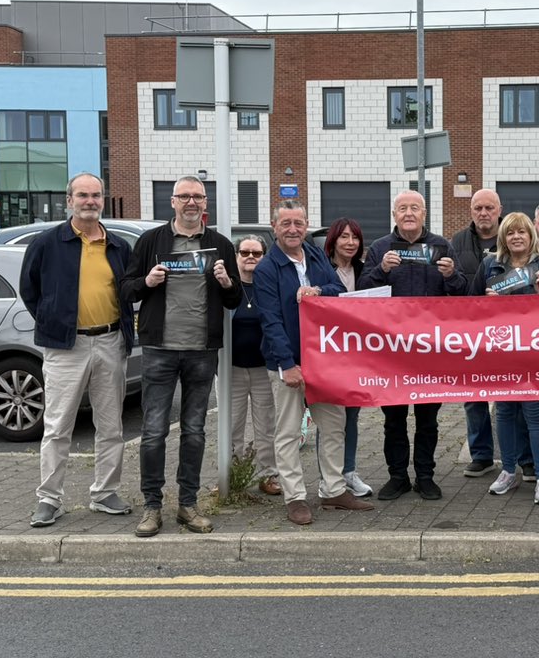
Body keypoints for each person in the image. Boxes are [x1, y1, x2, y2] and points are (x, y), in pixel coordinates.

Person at [120, 175, 242, 537]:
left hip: (201, 351)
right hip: (160, 349)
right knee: (153, 432)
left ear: (205, 203)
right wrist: (147, 282)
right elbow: (126, 290)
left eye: (198, 197)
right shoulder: (151, 241)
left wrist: (226, 282)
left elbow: (235, 298)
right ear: (173, 201)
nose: (191, 202)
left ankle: (188, 505)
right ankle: (152, 506)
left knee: (194, 431)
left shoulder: (220, 245)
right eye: (184, 196)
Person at [20, 172, 135, 527]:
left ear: (103, 200)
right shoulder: (47, 243)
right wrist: (55, 321)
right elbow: (30, 290)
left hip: (110, 341)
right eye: (83, 195)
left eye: (96, 195)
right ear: (69, 200)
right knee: (57, 427)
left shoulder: (118, 246)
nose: (90, 201)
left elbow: (128, 289)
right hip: (65, 347)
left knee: (111, 425)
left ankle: (105, 493)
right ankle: (49, 499)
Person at [254, 200, 371, 526]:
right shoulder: (267, 269)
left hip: (323, 360)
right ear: (274, 227)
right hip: (288, 362)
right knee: (289, 432)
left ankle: (333, 490)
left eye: (298, 223)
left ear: (306, 226)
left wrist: (318, 291)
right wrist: (287, 364)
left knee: (333, 425)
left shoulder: (316, 255)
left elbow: (338, 289)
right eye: (286, 223)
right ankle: (295, 497)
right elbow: (271, 322)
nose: (293, 230)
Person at [359, 189, 467, 500]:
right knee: (393, 419)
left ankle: (425, 476)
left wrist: (450, 275)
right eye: (403, 208)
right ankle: (397, 477)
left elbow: (461, 293)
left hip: (429, 349)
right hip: (390, 351)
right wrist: (382, 270)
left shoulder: (441, 246)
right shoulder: (380, 248)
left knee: (427, 419)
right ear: (394, 214)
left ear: (424, 214)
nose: (409, 213)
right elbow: (362, 292)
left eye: (415, 208)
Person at [470, 212, 539, 505]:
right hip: (500, 352)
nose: (516, 237)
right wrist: (487, 305)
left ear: (530, 235)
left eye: (522, 232)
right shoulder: (490, 266)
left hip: (533, 354)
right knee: (505, 412)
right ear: (503, 238)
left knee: (535, 413)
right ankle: (509, 470)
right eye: (510, 233)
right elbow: (468, 308)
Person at [450, 189, 533, 480]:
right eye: (478, 208)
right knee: (474, 398)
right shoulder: (458, 241)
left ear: (499, 209)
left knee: (518, 397)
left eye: (489, 208)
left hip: (513, 336)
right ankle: (482, 455)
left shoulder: (513, 238)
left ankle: (526, 458)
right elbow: (458, 288)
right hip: (473, 334)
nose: (483, 213)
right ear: (471, 211)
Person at [323, 217, 373, 498]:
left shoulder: (364, 270)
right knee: (330, 418)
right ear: (333, 240)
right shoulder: (320, 269)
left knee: (351, 416)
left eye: (355, 237)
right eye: (344, 237)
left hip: (358, 354)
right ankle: (329, 477)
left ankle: (349, 472)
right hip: (329, 355)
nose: (350, 243)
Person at [230, 234, 280, 496]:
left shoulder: (268, 287)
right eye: (245, 252)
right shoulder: (228, 287)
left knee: (266, 427)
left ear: (264, 256)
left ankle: (267, 475)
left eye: (257, 253)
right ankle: (231, 477)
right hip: (231, 370)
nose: (250, 257)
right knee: (231, 426)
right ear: (236, 256)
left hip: (263, 368)